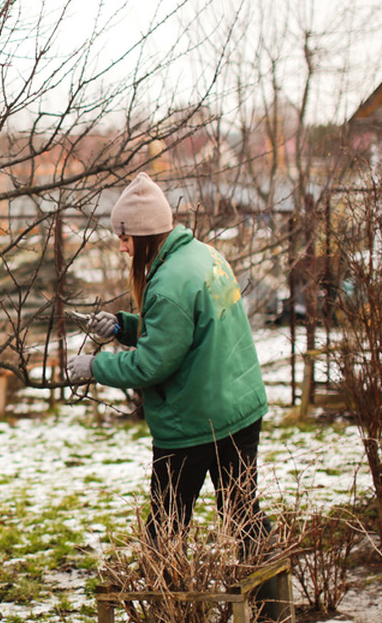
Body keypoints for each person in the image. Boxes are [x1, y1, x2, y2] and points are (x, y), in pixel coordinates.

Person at [66, 172, 270, 554]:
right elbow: (185, 331)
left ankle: (165, 609)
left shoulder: (168, 283)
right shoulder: (203, 255)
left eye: (125, 239)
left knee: (166, 527)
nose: (123, 249)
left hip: (194, 421)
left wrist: (95, 368)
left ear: (142, 236)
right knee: (243, 515)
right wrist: (124, 327)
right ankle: (269, 606)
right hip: (238, 408)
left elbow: (151, 366)